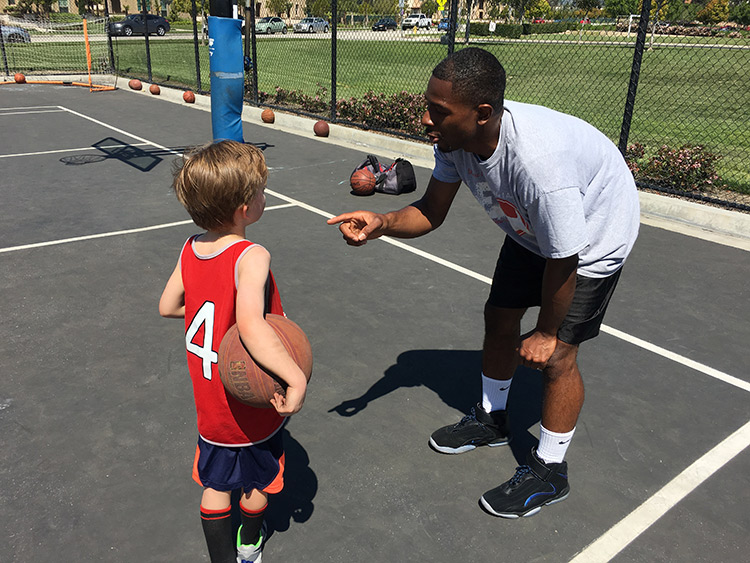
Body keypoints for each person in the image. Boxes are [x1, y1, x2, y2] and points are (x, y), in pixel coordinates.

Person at [328, 48, 639, 518]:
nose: (425, 119)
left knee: (557, 357)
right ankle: (493, 419)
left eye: (438, 111)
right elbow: (431, 210)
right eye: (427, 106)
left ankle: (550, 470)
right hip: (532, 230)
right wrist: (383, 222)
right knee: (499, 317)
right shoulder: (455, 142)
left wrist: (547, 332)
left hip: (591, 236)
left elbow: (564, 258)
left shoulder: (539, 167)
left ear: (482, 113)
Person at [159, 140, 308, 561]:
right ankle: (249, 545)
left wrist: (212, 313)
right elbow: (252, 326)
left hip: (210, 403)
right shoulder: (251, 255)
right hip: (247, 396)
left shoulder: (190, 248)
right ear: (245, 208)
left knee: (215, 484)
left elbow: (167, 306)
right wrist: (294, 377)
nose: (265, 195)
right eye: (261, 190)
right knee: (257, 482)